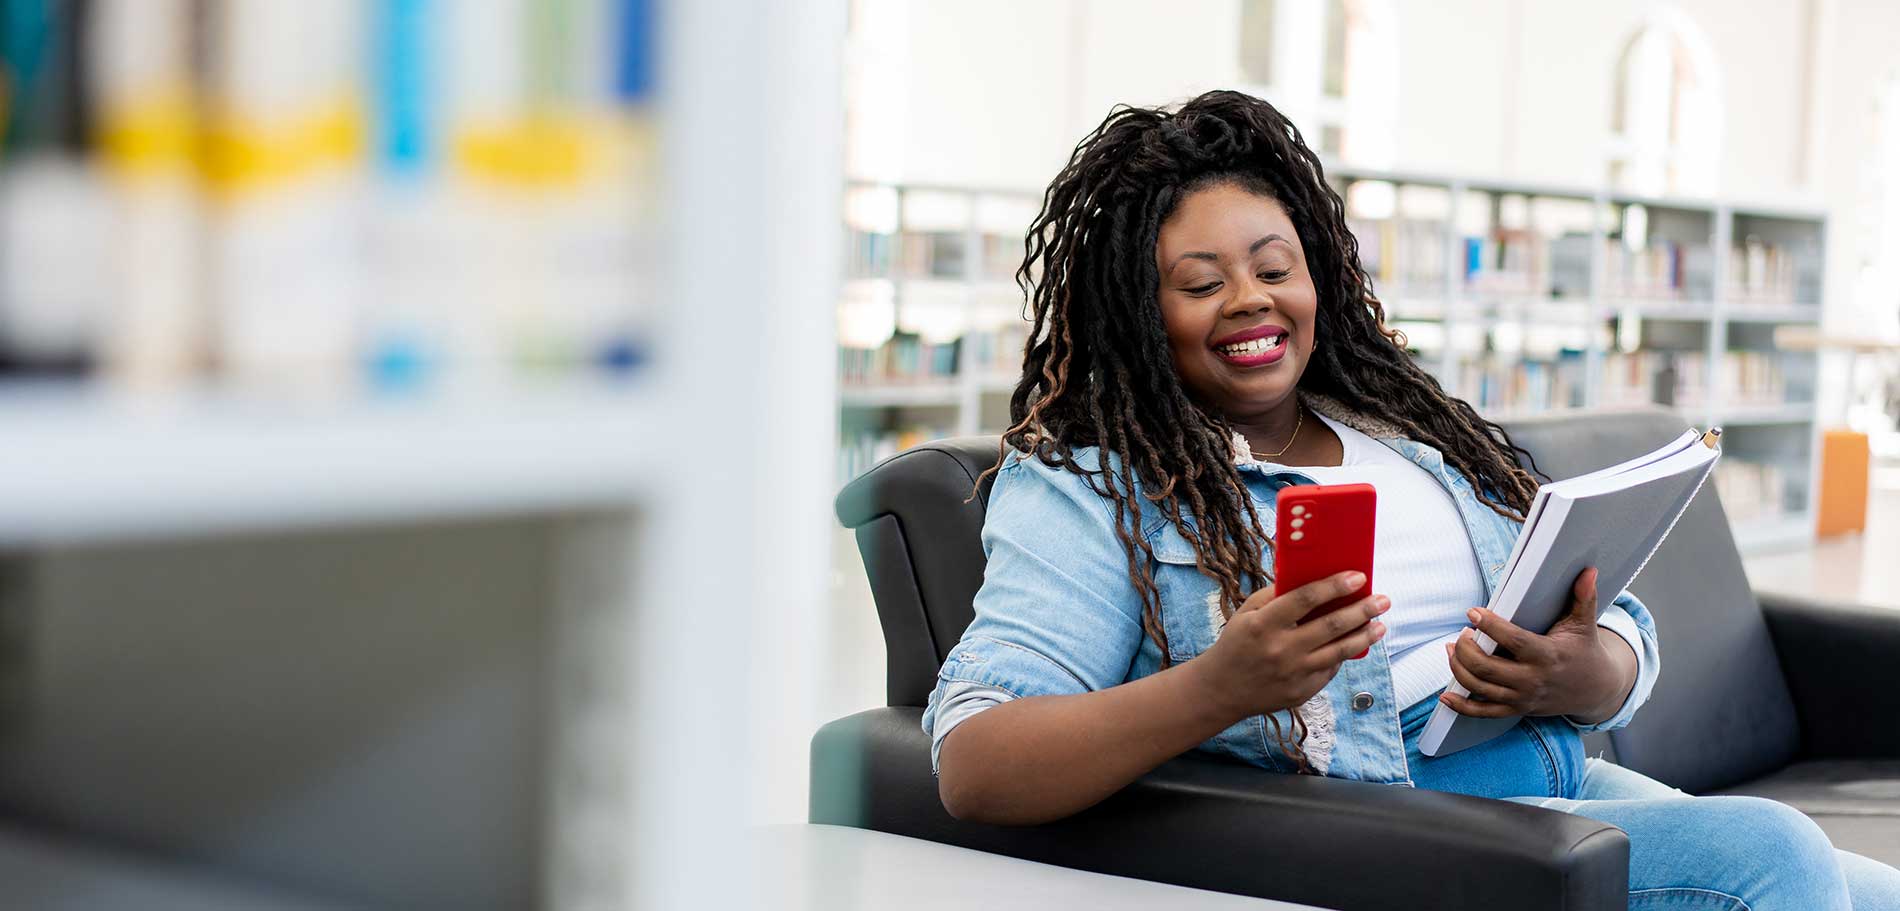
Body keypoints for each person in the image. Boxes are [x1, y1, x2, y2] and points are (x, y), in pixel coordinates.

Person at [923, 89, 1900, 909]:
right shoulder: (1091, 482)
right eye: (1199, 282)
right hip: (1393, 822)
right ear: (1135, 314)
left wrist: (1578, 669)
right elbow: (976, 763)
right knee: (1773, 856)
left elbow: (1620, 632)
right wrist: (1219, 686)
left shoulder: (1411, 434)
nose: (1251, 299)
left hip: (1562, 779)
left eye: (1274, 267)